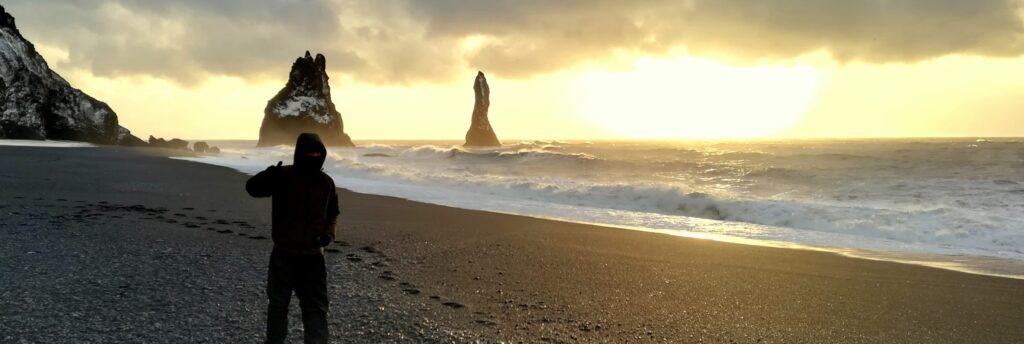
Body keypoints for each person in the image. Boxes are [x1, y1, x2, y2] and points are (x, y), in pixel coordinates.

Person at [245, 133, 339, 344]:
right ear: (299, 153)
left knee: (316, 310)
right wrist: (268, 174)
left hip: (314, 257)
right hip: (283, 255)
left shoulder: (326, 183)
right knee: (278, 306)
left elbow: (333, 213)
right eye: (309, 152)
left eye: (318, 153)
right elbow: (252, 188)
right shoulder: (283, 176)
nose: (313, 156)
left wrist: (329, 234)